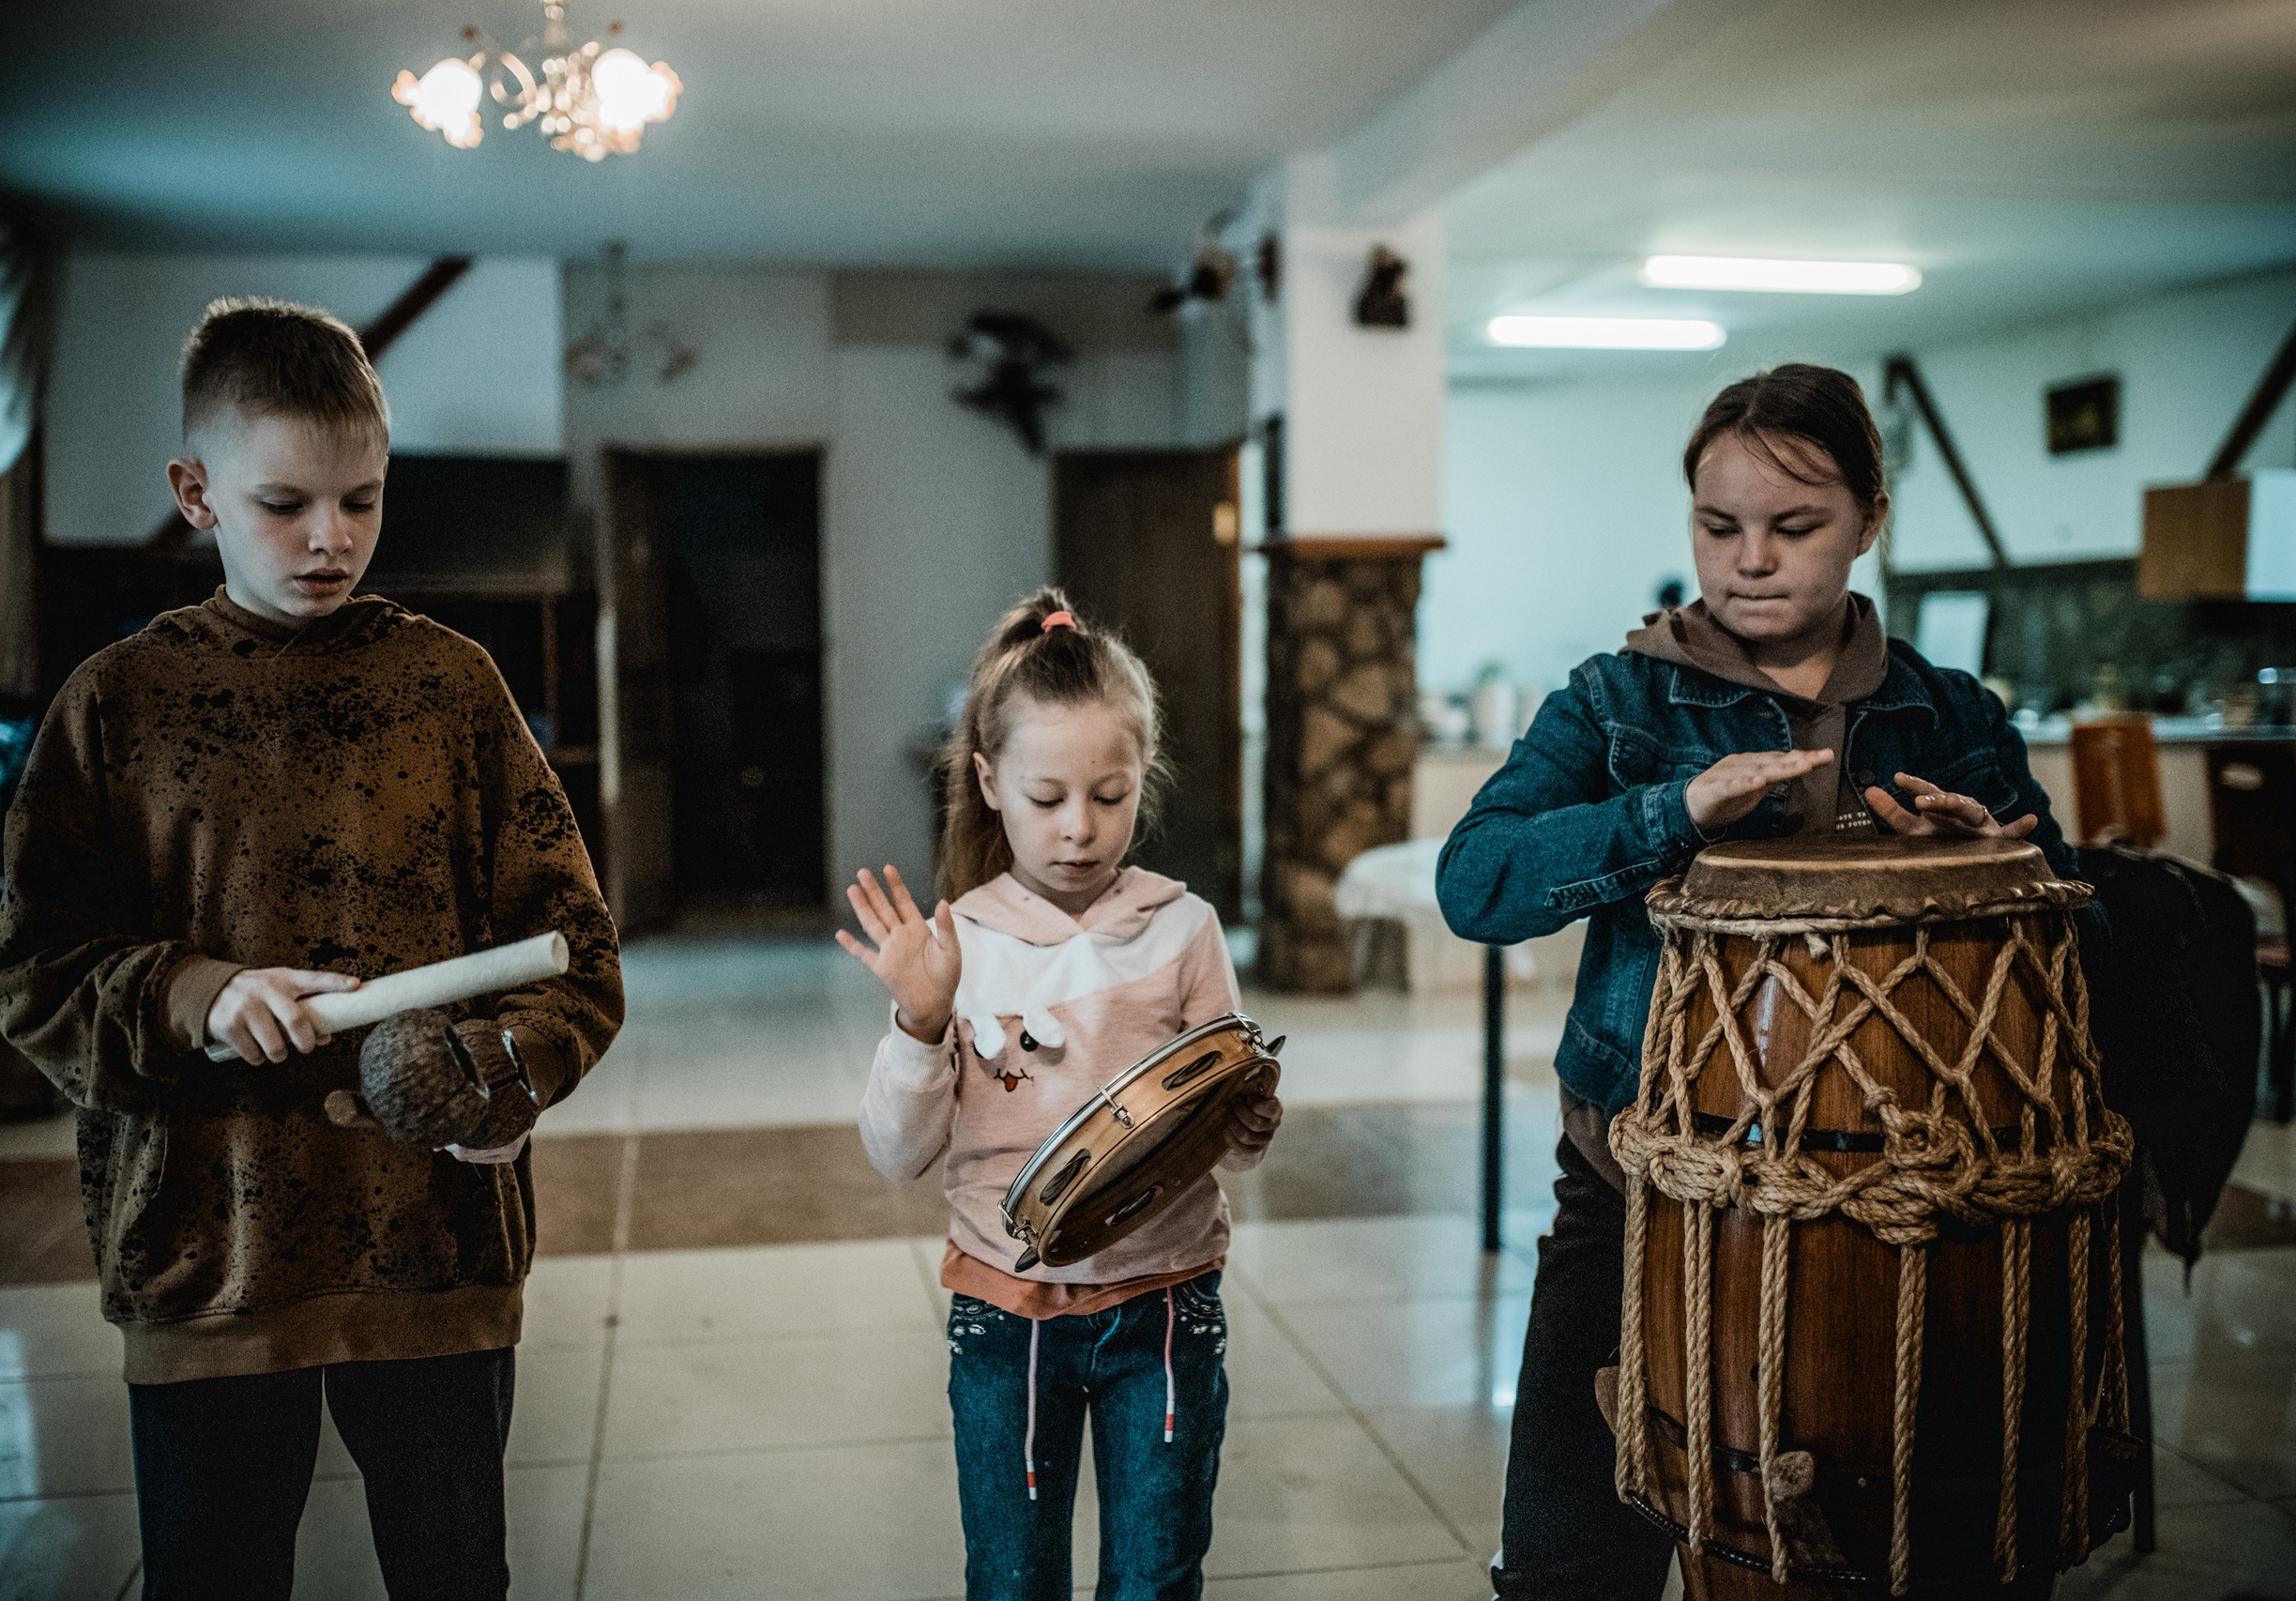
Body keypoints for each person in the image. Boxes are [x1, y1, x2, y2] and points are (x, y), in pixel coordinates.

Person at [0, 298, 624, 1601]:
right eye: (285, 503)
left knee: (455, 1572)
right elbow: (31, 970)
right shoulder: (118, 702)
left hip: (433, 1240)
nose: (331, 539)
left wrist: (513, 1072)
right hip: (208, 1252)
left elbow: (575, 957)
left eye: (363, 501)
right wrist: (195, 995)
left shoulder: (453, 688)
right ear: (194, 490)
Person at [1435, 363, 2076, 1601]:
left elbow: (2069, 939)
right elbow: (1479, 882)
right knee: (1572, 1560)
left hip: (1910, 1200)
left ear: (1871, 520)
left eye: (1796, 528)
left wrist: (1992, 861)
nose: (1752, 561)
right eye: (1717, 528)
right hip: (1638, 1182)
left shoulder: (1949, 717)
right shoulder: (1616, 700)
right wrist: (1669, 809)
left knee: (1923, 1555)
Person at [844, 590, 1283, 1601]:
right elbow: (895, 1152)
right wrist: (918, 1022)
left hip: (1166, 1300)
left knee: (1156, 1573)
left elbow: (1226, 1123)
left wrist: (1249, 1120)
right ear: (991, 782)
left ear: (1144, 782)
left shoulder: (1186, 929)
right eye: (1047, 799)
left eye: (1111, 794)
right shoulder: (960, 946)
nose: (1080, 830)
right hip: (1006, 1316)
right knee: (1011, 1579)